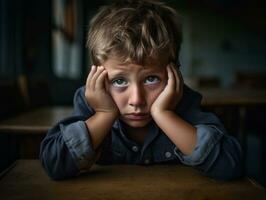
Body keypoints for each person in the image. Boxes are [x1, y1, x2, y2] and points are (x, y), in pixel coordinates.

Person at [40, 0, 243, 180]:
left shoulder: (182, 100)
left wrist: (164, 114)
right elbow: (53, 163)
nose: (137, 100)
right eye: (119, 81)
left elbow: (230, 166)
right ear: (98, 78)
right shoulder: (90, 102)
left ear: (174, 74)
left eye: (151, 79)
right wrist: (104, 114)